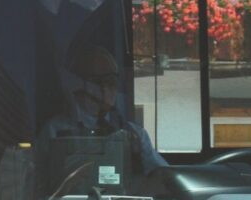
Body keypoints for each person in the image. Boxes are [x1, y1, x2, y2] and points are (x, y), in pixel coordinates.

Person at [40, 44, 164, 175]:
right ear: (78, 84)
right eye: (96, 81)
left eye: (111, 81)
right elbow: (38, 181)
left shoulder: (135, 135)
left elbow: (163, 177)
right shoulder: (55, 131)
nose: (105, 88)